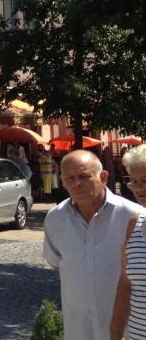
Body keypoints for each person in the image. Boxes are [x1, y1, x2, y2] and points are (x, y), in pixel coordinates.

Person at [43, 150, 141, 339]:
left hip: (128, 331)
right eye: (69, 178)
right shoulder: (55, 218)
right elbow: (56, 263)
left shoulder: (133, 216)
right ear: (62, 181)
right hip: (78, 329)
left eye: (84, 176)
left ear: (103, 177)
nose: (77, 184)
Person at [110, 145, 146, 339]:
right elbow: (125, 285)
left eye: (145, 181)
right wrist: (115, 333)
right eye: (134, 182)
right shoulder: (134, 225)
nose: (139, 189)